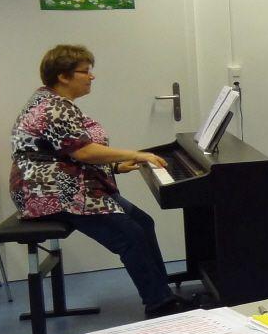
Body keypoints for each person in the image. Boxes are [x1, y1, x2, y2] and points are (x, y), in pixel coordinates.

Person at [10, 45, 187, 317]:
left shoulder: (50, 100)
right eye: (85, 72)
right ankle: (159, 305)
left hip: (63, 186)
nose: (91, 77)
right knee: (129, 235)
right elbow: (82, 151)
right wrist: (136, 154)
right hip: (50, 193)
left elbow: (63, 151)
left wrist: (116, 166)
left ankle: (162, 291)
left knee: (142, 223)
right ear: (63, 76)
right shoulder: (53, 107)